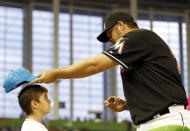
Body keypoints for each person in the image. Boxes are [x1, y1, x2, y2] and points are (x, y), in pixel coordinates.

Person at [30, 11, 190, 130]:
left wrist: (56, 73)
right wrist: (128, 105)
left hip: (167, 121)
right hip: (156, 121)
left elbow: (93, 65)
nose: (110, 40)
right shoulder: (141, 45)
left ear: (121, 25)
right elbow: (159, 89)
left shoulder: (136, 37)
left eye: (110, 34)